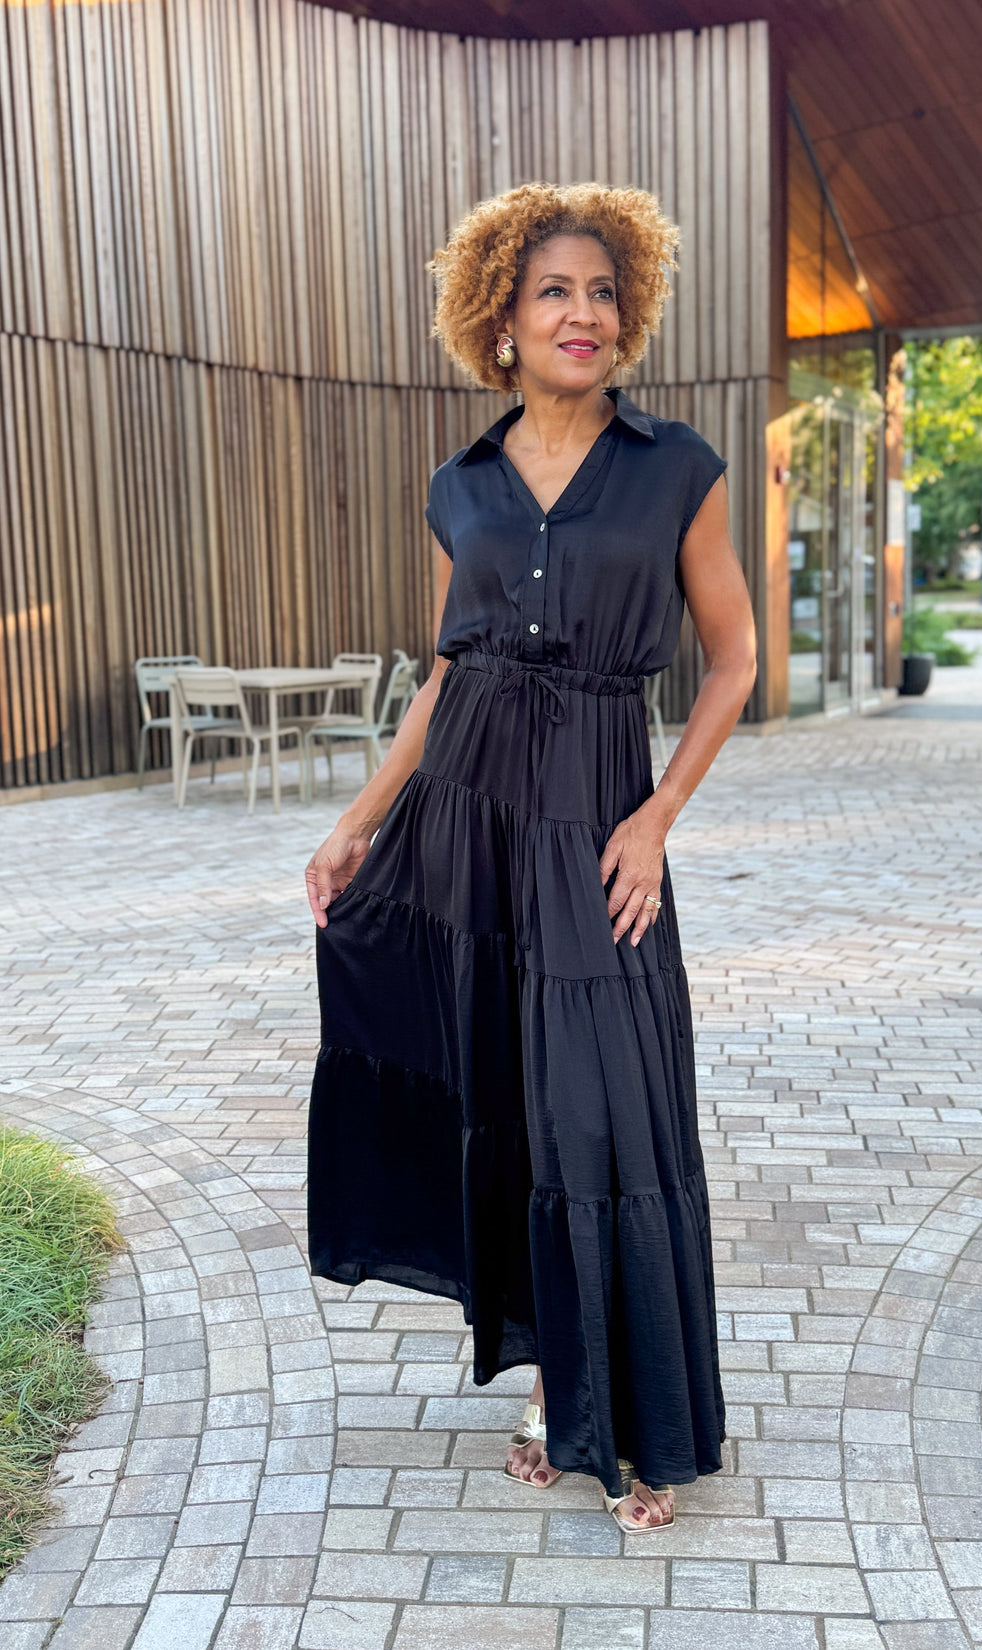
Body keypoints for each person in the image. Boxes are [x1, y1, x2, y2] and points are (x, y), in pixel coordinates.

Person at [305, 182, 756, 1532]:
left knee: (606, 1108)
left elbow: (733, 658)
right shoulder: (460, 488)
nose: (584, 313)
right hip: (469, 826)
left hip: (598, 820)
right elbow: (448, 677)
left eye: (605, 292)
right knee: (504, 1091)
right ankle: (559, 1386)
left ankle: (644, 1417)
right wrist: (359, 819)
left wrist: (659, 813)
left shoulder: (679, 468)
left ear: (632, 318)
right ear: (500, 319)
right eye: (555, 290)